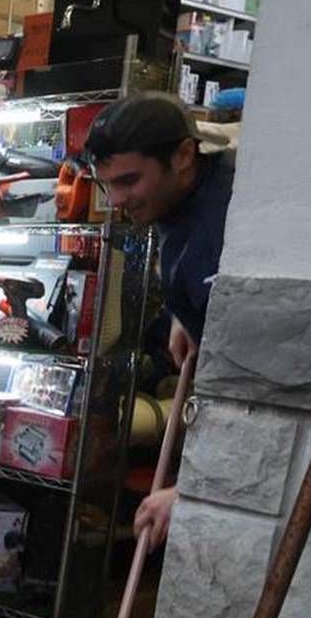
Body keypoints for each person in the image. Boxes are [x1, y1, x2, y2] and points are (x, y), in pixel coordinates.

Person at [83, 93, 233, 548]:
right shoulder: (186, 189)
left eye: (129, 181)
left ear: (183, 156)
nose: (117, 199)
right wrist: (184, 315)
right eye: (107, 183)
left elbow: (244, 392)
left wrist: (193, 490)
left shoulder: (223, 227)